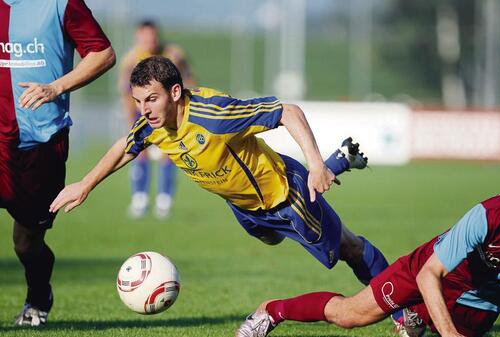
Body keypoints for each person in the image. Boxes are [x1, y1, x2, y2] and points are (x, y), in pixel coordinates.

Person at [50, 55, 391, 298]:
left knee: (348, 248)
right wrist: (85, 184)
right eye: (138, 101)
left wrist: (316, 164)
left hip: (287, 196)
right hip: (244, 207)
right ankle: (339, 161)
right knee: (271, 240)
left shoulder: (214, 116)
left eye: (151, 99)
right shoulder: (153, 125)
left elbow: (288, 112)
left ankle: (405, 312)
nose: (144, 110)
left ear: (174, 93)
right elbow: (126, 145)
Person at [235, 173, 500, 337]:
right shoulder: (491, 214)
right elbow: (429, 275)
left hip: (478, 305)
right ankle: (270, 311)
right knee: (349, 315)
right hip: (429, 272)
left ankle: (413, 318)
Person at [0, 0, 115, 327]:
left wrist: (56, 87)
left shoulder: (60, 4)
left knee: (26, 243)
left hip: (40, 142)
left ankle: (38, 296)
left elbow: (103, 54)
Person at [119, 20, 195, 219]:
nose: (149, 40)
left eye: (152, 36)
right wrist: (130, 119)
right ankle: (140, 200)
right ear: (138, 37)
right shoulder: (131, 59)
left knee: (169, 153)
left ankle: (164, 201)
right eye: (144, 36)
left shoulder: (173, 54)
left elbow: (189, 79)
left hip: (170, 111)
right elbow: (126, 94)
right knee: (138, 152)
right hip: (142, 112)